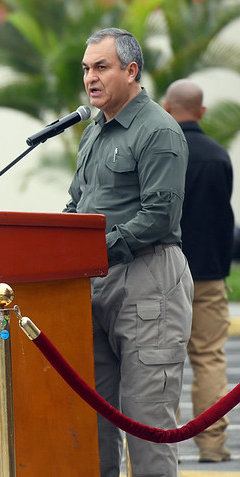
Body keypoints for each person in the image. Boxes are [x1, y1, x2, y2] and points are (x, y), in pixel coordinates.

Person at [65, 28, 192, 477]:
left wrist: (94, 250)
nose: (90, 78)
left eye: (101, 67)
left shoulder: (158, 130)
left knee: (146, 420)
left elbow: (159, 214)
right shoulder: (93, 131)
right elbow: (77, 204)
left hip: (147, 278)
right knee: (95, 417)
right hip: (94, 281)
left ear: (131, 70)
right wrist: (57, 243)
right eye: (86, 69)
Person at [163, 79, 233, 463]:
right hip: (207, 276)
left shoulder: (161, 150)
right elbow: (224, 220)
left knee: (159, 360)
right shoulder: (219, 155)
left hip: (163, 275)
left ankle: (161, 447)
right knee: (209, 358)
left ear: (167, 107)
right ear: (202, 111)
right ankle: (213, 445)